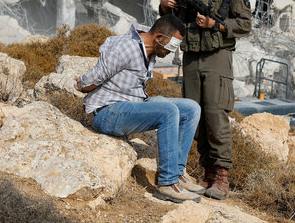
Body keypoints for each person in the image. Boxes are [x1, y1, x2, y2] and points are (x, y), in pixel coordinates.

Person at [159, 0, 252, 200]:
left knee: (216, 116)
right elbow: (171, 22)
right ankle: (205, 172)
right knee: (194, 118)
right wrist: (164, 6)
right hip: (191, 59)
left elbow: (245, 23)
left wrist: (218, 26)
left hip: (217, 57)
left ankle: (220, 177)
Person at [75, 15, 204, 204]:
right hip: (107, 112)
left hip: (132, 103)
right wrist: (81, 84)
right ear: (159, 38)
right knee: (168, 111)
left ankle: (176, 173)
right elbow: (95, 77)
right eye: (172, 46)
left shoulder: (148, 47)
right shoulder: (126, 48)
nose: (172, 52)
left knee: (191, 108)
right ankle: (167, 184)